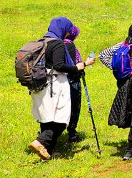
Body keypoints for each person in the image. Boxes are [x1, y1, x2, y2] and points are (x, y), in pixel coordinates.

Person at [29, 17, 94, 160]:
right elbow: (59, 65)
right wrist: (79, 66)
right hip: (55, 85)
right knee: (61, 119)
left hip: (41, 85)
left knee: (47, 118)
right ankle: (40, 141)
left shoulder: (42, 42)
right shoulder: (57, 43)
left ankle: (47, 151)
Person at [99, 21, 132, 160]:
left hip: (124, 83)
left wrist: (117, 68)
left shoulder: (125, 43)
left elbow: (103, 55)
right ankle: (130, 149)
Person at [64, 24, 84, 143]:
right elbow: (73, 64)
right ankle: (72, 133)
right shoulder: (69, 45)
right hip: (72, 80)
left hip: (61, 79)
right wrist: (83, 65)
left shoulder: (59, 43)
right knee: (74, 107)